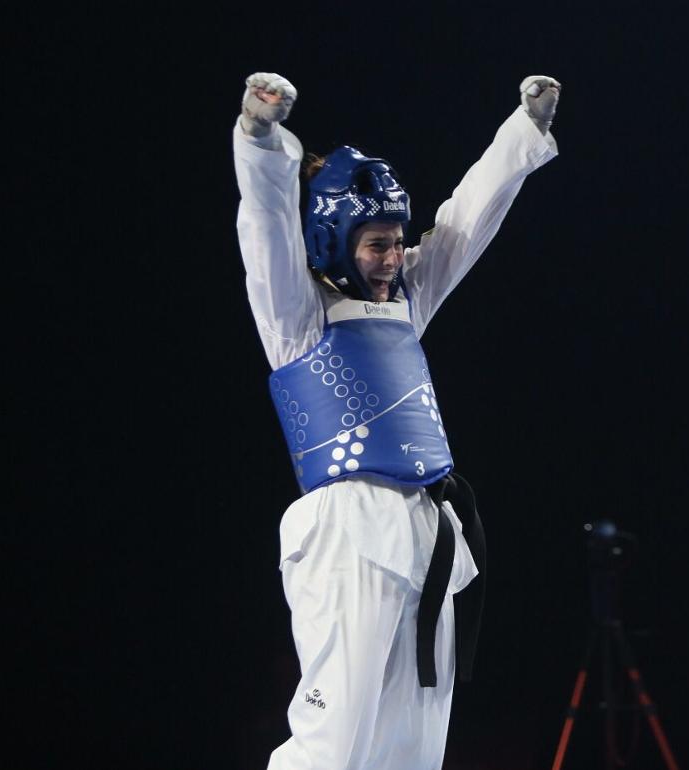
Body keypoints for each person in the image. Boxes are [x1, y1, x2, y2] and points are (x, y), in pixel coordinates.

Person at [232, 71, 560, 769]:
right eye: (375, 244)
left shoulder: (407, 301)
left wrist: (523, 132)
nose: (390, 259)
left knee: (411, 749)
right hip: (348, 529)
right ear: (329, 239)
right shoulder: (298, 318)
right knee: (335, 739)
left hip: (424, 529)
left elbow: (466, 221)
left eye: (394, 241)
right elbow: (265, 237)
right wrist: (260, 143)